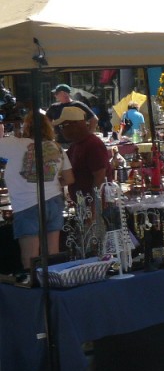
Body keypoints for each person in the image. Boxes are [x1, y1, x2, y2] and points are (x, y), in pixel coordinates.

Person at [0, 112, 73, 280]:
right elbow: (69, 178)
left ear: (27, 127)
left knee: (30, 258)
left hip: (27, 204)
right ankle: (53, 285)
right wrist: (51, 184)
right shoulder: (56, 147)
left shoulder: (15, 144)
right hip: (54, 200)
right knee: (52, 254)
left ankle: (34, 291)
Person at [52, 102, 109, 208]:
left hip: (94, 209)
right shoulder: (75, 145)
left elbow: (99, 178)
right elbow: (66, 173)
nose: (61, 130)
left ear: (76, 125)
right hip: (83, 206)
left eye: (63, 126)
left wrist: (94, 210)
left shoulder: (93, 145)